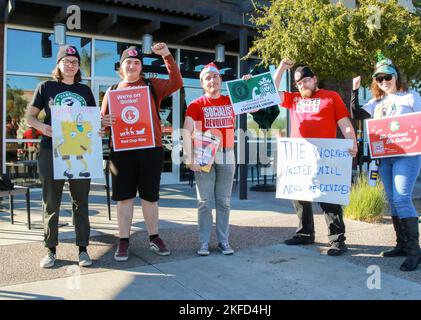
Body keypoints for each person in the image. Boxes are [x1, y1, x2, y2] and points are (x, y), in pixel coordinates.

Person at [351, 53, 421, 271]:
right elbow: (356, 114)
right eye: (379, 79)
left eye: (387, 77)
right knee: (392, 199)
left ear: (395, 76)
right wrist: (354, 90)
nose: (384, 82)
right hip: (385, 157)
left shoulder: (410, 97)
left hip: (407, 155)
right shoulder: (376, 102)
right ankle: (401, 245)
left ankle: (415, 252)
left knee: (402, 198)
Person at [101, 44, 183, 262]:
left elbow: (176, 82)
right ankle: (124, 240)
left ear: (140, 67)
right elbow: (102, 126)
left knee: (150, 198)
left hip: (149, 150)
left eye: (136, 62)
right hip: (122, 152)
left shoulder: (150, 85)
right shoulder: (112, 92)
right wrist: (103, 122)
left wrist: (166, 55)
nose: (132, 65)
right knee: (124, 199)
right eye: (128, 62)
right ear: (121, 66)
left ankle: (154, 237)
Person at [273, 58, 358, 256]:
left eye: (306, 80)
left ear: (314, 79)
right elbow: (270, 93)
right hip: (300, 157)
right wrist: (280, 68)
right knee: (299, 196)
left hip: (325, 156)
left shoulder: (331, 97)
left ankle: (337, 239)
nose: (303, 85)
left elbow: (344, 122)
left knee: (329, 198)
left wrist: (352, 142)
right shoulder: (294, 99)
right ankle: (305, 233)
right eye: (299, 83)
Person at [25, 45, 97, 268]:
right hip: (51, 149)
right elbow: (29, 116)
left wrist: (99, 126)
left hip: (80, 150)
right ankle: (50, 249)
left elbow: (91, 121)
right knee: (51, 202)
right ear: (58, 64)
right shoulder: (45, 87)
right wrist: (40, 126)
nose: (70, 64)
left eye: (74, 61)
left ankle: (83, 249)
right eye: (66, 60)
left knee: (80, 201)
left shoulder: (85, 90)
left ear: (78, 67)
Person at [183, 63, 254, 256]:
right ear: (202, 83)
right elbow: (187, 132)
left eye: (215, 77)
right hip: (204, 153)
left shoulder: (230, 101)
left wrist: (247, 87)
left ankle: (224, 241)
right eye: (208, 78)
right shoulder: (196, 105)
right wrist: (190, 158)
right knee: (205, 201)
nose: (212, 81)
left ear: (220, 80)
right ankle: (204, 242)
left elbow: (254, 107)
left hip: (226, 153)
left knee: (224, 201)